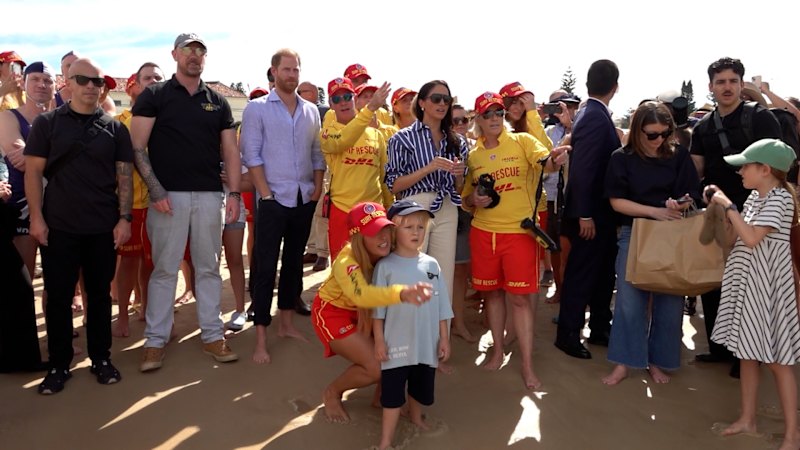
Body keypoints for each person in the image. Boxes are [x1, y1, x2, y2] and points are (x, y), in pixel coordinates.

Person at [130, 33, 241, 371]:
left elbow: (230, 150)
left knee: (208, 269)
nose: (195, 56)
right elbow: (137, 148)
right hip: (168, 198)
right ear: (175, 54)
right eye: (189, 50)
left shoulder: (217, 101)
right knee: (164, 270)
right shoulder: (154, 96)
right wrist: (156, 189)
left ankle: (212, 335)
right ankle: (155, 340)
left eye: (200, 51)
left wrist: (234, 193)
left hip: (210, 196)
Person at [25, 58, 133, 394]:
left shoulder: (116, 129)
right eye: (83, 80)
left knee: (99, 297)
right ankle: (58, 364)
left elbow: (125, 177)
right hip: (58, 227)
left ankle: (101, 358)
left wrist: (124, 218)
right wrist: (37, 218)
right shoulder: (47, 123)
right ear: (68, 83)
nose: (91, 87)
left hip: (102, 227)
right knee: (58, 298)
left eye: (98, 82)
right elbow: (33, 173)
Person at [462, 92, 568, 389]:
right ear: (479, 121)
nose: (494, 118)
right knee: (492, 296)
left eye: (498, 112)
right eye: (488, 114)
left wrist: (556, 158)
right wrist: (474, 199)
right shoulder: (473, 155)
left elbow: (547, 162)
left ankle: (526, 364)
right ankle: (496, 351)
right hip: (484, 234)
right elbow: (466, 199)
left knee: (520, 300)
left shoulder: (523, 141)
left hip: (520, 234)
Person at [705, 139, 800, 450]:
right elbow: (735, 238)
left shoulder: (781, 199)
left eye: (746, 166)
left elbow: (752, 237)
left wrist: (729, 206)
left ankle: (792, 435)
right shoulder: (756, 198)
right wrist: (720, 210)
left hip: (768, 287)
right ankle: (748, 419)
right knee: (747, 353)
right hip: (748, 283)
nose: (741, 171)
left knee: (777, 360)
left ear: (765, 169)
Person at [690, 57, 781, 374]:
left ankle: (748, 356)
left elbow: (777, 167)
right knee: (716, 282)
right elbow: (697, 169)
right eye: (720, 82)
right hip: (718, 213)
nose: (726, 87)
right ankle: (721, 348)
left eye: (732, 81)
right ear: (711, 87)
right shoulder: (702, 127)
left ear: (742, 84)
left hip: (756, 214)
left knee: (750, 287)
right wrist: (699, 193)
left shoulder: (760, 118)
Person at [601, 102, 701, 385]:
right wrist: (655, 210)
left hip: (671, 235)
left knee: (670, 303)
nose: (659, 140)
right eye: (652, 134)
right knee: (629, 303)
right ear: (637, 131)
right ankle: (625, 362)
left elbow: (691, 193)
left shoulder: (678, 155)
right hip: (634, 233)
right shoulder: (621, 158)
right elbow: (616, 201)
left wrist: (679, 203)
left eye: (664, 133)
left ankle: (657, 361)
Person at [310, 201, 432, 423]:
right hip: (332, 313)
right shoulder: (346, 261)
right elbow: (363, 296)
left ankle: (382, 397)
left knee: (393, 350)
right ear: (358, 236)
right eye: (374, 232)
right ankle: (332, 392)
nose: (384, 237)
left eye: (385, 229)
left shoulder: (388, 248)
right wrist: (402, 293)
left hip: (366, 311)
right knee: (375, 367)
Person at [240, 48, 325, 364]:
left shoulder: (311, 111)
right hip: (272, 199)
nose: (292, 74)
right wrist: (265, 194)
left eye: (296, 69)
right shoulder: (256, 109)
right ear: (274, 72)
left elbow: (317, 152)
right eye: (286, 69)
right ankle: (261, 335)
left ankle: (286, 325)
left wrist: (316, 187)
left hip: (303, 199)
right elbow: (252, 154)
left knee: (293, 266)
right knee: (265, 268)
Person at [373, 200, 453, 449]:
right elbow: (378, 310)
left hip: (426, 343)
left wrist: (444, 338)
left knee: (420, 387)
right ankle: (386, 441)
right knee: (392, 396)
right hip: (395, 345)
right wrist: (378, 340)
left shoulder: (432, 264)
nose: (416, 232)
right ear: (394, 230)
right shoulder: (385, 267)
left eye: (421, 227)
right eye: (409, 227)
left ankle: (416, 417)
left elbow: (441, 305)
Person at [555, 60, 621, 360]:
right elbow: (584, 168)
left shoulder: (590, 113)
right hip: (590, 214)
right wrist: (584, 214)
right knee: (582, 275)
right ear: (615, 87)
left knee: (603, 273)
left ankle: (598, 328)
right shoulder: (594, 116)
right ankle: (568, 334)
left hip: (599, 214)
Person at [112, 63, 165, 338]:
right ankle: (122, 313)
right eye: (147, 78)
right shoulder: (120, 121)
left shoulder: (169, 118)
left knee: (153, 262)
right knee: (129, 261)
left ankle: (146, 306)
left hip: (163, 203)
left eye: (158, 78)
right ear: (132, 87)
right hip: (132, 202)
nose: (153, 82)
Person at [320, 77, 393, 260]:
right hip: (342, 210)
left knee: (376, 269)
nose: (343, 102)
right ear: (330, 104)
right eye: (336, 99)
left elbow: (383, 177)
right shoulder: (327, 133)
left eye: (347, 96)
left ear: (354, 98)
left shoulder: (376, 134)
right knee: (344, 271)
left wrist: (390, 208)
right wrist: (369, 109)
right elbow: (345, 139)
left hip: (374, 212)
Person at [0, 61, 56, 280]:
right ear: (23, 84)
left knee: (59, 284)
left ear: (55, 85)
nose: (41, 84)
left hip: (58, 208)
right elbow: (19, 161)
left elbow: (29, 159)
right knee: (22, 283)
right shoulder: (8, 117)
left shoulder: (64, 120)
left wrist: (33, 153)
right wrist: (57, 154)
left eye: (47, 80)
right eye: (35, 79)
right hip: (22, 209)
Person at [542, 91, 581, 303]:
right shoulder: (548, 132)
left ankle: (573, 295)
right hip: (551, 197)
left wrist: (572, 125)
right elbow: (545, 162)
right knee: (554, 248)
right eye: (558, 106)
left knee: (572, 250)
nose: (564, 109)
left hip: (573, 198)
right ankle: (559, 289)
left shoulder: (583, 128)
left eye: (570, 105)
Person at [450, 104, 476, 342]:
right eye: (454, 121)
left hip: (466, 216)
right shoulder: (437, 145)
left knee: (460, 273)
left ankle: (458, 322)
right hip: (441, 214)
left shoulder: (475, 149)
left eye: (464, 120)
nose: (459, 125)